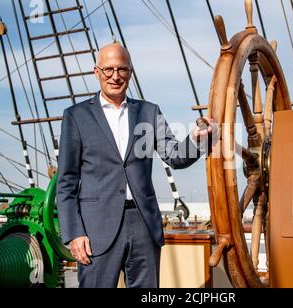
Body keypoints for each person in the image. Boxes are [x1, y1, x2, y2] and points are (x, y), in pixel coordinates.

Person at [56, 42, 216, 288]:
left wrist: (195, 137)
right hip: (95, 228)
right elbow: (66, 182)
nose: (115, 76)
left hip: (143, 224)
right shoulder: (76, 117)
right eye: (108, 69)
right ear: (96, 72)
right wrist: (74, 233)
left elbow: (175, 156)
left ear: (130, 72)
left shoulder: (149, 112)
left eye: (122, 69)